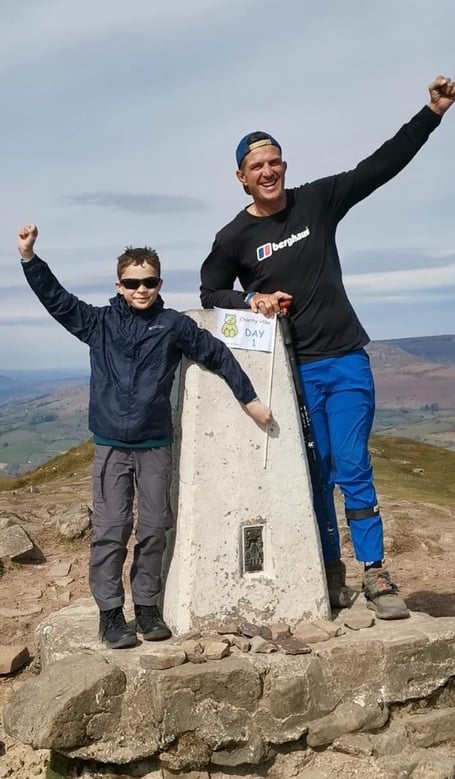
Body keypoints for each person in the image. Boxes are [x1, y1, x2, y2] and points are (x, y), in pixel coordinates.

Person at [200, 75, 455, 620]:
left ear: (284, 168)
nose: (268, 172)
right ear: (241, 178)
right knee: (315, 474)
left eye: (275, 163)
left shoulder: (318, 201)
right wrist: (254, 299)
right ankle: (328, 570)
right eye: (256, 167)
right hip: (293, 372)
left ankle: (375, 573)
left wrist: (431, 113)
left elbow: (380, 166)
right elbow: (209, 291)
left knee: (353, 466)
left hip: (344, 359)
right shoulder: (232, 238)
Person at [18, 224, 272, 649]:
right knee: (112, 529)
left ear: (159, 283)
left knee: (155, 527)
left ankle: (148, 607)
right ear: (119, 285)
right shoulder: (98, 323)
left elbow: (217, 353)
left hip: (155, 446)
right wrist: (29, 258)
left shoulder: (173, 326)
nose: (141, 289)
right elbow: (57, 301)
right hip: (112, 447)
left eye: (149, 281)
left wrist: (249, 400)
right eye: (133, 283)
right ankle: (111, 614)